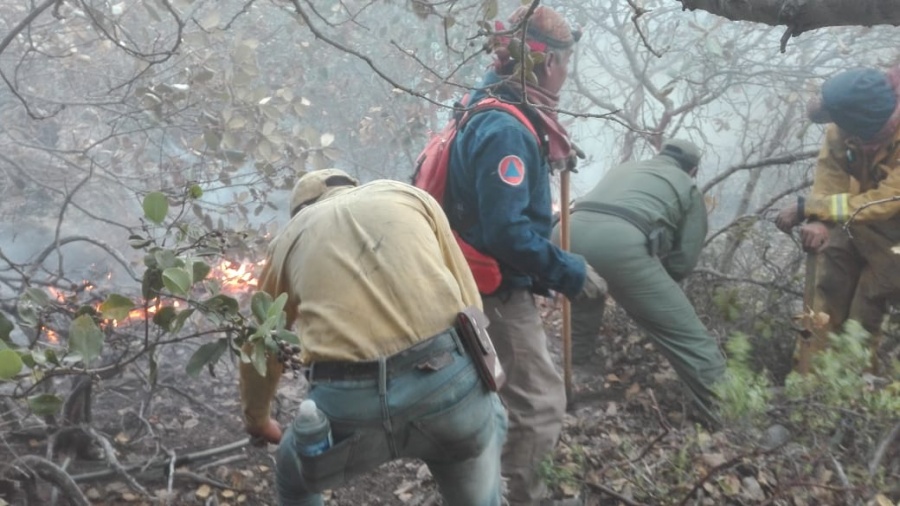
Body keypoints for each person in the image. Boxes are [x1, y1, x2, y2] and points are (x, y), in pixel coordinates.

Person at [238, 169, 508, 506]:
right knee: (485, 449)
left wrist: (259, 419)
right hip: (447, 385)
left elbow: (261, 342)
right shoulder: (408, 196)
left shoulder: (291, 237)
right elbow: (471, 304)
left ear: (300, 209)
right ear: (354, 186)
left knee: (295, 480)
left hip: (347, 406)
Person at [442, 6, 606, 506]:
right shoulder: (508, 129)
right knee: (539, 402)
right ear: (548, 63)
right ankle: (522, 494)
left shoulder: (488, 99)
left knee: (493, 393)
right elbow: (508, 233)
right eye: (567, 61)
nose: (567, 73)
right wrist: (569, 272)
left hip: (471, 276)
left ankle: (479, 487)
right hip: (494, 290)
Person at [555, 139, 726, 426]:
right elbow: (684, 259)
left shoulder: (628, 168)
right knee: (689, 339)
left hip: (564, 234)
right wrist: (652, 288)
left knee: (587, 297)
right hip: (617, 246)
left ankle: (572, 372)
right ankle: (730, 412)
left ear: (659, 155)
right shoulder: (687, 185)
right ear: (693, 169)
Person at [776, 66, 900, 372]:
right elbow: (831, 175)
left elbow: (885, 201)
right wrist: (819, 220)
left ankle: (846, 390)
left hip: (892, 233)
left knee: (867, 305)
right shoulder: (845, 124)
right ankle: (807, 382)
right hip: (861, 219)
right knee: (830, 279)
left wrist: (811, 207)